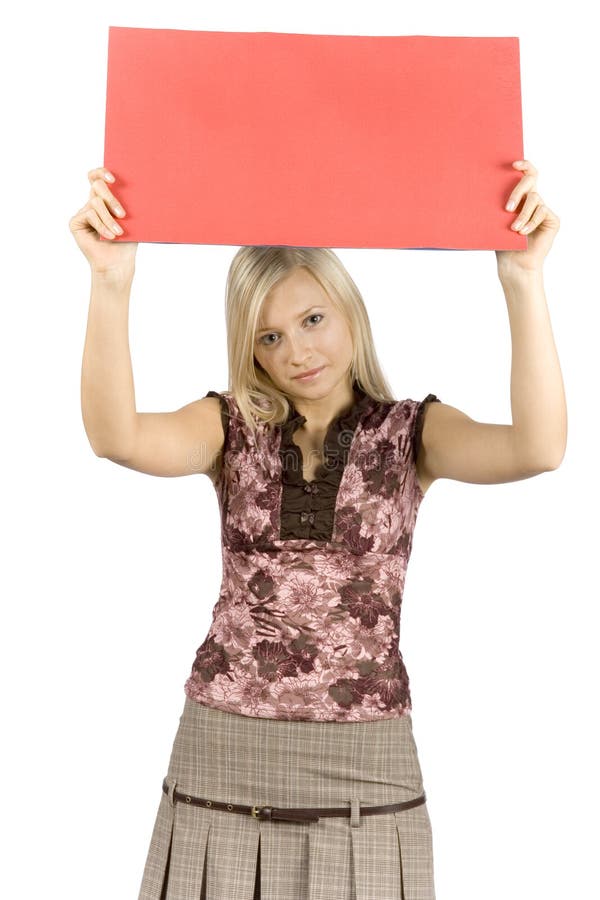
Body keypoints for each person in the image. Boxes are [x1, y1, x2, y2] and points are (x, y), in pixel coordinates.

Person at [68, 161, 564, 900]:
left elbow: (538, 448)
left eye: (312, 320)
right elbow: (118, 437)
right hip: (223, 754)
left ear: (349, 311)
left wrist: (523, 284)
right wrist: (110, 283)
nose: (298, 352)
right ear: (250, 347)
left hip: (367, 766)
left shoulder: (410, 434)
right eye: (269, 337)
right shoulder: (231, 429)